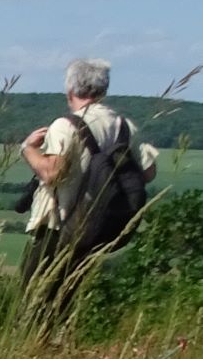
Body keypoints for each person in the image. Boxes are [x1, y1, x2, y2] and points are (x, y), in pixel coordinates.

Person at [18, 57, 159, 316]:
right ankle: (57, 349)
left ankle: (32, 349)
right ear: (104, 91)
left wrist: (28, 149)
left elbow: (51, 173)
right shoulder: (124, 127)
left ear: (70, 89)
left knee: (32, 302)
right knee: (65, 304)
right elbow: (148, 173)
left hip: (58, 226)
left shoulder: (65, 125)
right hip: (96, 229)